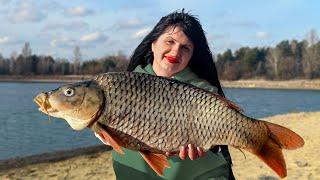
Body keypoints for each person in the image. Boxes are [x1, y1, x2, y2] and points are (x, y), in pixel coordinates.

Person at [97, 9, 235, 180]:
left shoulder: (204, 93)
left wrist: (210, 146)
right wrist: (99, 128)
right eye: (170, 41)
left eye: (185, 48)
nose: (175, 52)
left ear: (192, 55)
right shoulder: (123, 84)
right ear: (153, 43)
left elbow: (218, 147)